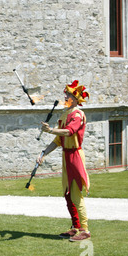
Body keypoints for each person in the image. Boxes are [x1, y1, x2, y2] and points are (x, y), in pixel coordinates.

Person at [37, 80, 91, 242]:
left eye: (68, 95)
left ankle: (85, 229)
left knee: (76, 194)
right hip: (66, 156)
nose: (65, 97)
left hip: (75, 156)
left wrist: (50, 129)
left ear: (75, 98)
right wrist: (43, 153)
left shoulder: (78, 114)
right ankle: (75, 227)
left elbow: (69, 132)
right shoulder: (65, 114)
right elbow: (58, 140)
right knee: (67, 194)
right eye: (65, 94)